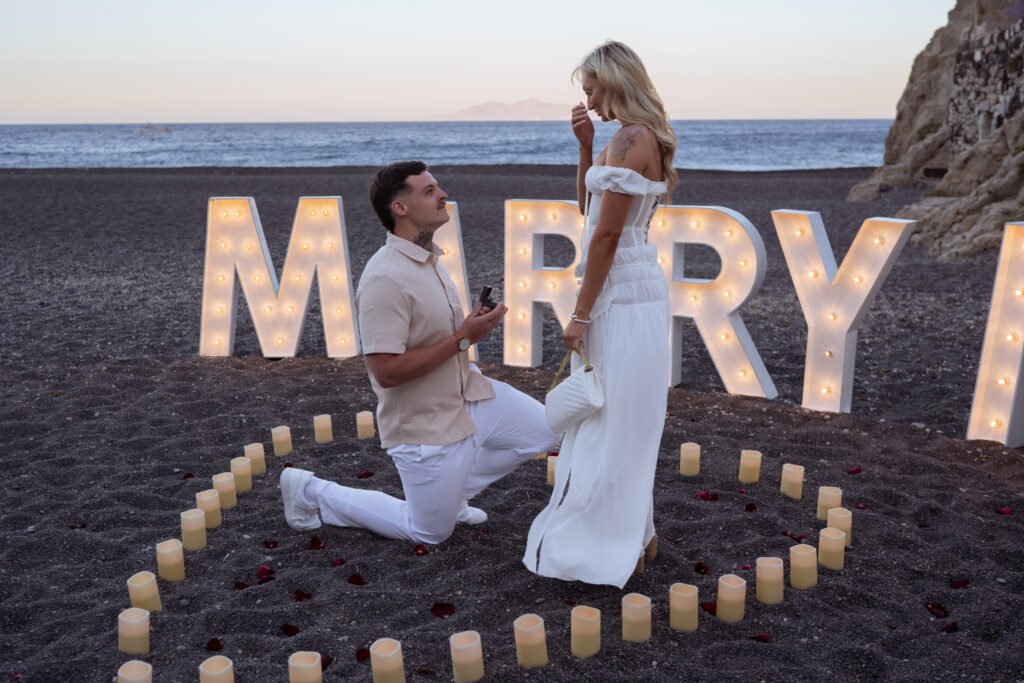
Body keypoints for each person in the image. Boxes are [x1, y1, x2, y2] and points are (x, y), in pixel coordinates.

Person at [279, 160, 560, 545]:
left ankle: (454, 492)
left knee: (548, 431)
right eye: (428, 191)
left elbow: (432, 335)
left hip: (467, 396)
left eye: (437, 187)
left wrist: (469, 327)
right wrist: (463, 337)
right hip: (424, 425)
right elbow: (386, 372)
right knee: (428, 532)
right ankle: (310, 491)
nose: (442, 194)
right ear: (401, 208)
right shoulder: (384, 278)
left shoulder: (429, 259)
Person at [523, 41, 676, 588]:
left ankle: (619, 541)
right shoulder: (630, 137)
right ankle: (640, 534)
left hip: (619, 290)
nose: (587, 98)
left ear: (614, 81)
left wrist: (581, 313)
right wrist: (585, 148)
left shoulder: (634, 138)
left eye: (590, 88)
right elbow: (592, 214)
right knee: (623, 417)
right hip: (632, 284)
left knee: (611, 420)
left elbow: (607, 235)